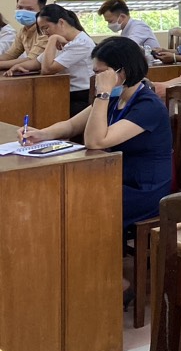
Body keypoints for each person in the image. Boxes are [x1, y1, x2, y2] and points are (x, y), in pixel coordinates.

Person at [21, 37, 172, 233]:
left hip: (142, 189)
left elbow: (95, 141)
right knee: (57, 194)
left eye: (101, 73)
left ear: (122, 71)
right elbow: (71, 125)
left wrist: (103, 94)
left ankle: (92, 251)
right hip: (113, 177)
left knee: (74, 205)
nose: (97, 78)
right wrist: (41, 134)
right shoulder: (116, 98)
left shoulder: (148, 106)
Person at [37, 4, 96, 115]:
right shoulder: (61, 40)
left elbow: (47, 69)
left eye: (46, 28)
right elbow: (36, 62)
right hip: (64, 92)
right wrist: (13, 66)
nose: (45, 33)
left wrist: (52, 39)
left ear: (61, 22)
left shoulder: (81, 43)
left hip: (79, 97)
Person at [0, 0, 50, 75]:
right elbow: (10, 55)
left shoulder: (46, 31)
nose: (23, 12)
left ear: (41, 11)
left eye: (29, 9)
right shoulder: (23, 31)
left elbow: (32, 60)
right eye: (20, 7)